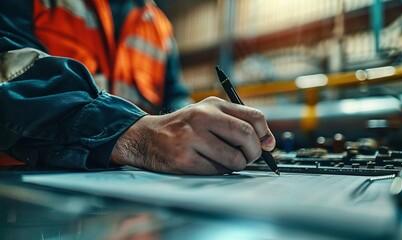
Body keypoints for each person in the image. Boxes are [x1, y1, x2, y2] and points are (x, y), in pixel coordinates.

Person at [0, 0, 276, 175]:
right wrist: (140, 138)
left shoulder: (157, 25)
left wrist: (203, 133)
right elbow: (9, 74)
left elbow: (174, 98)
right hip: (24, 192)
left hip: (134, 195)